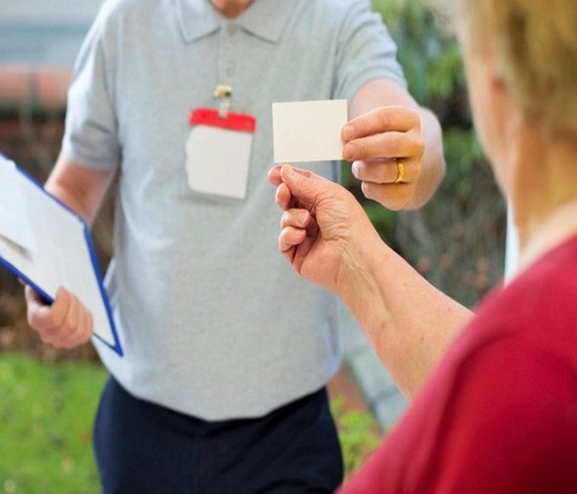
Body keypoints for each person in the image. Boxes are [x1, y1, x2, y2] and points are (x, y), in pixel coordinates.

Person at [25, 0, 446, 491]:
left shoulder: (336, 19)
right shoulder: (125, 21)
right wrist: (44, 275)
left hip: (287, 430)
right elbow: (73, 186)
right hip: (142, 415)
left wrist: (415, 147)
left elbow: (399, 120)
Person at [270, 0, 577, 491]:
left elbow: (507, 385)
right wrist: (355, 263)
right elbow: (487, 386)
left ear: (496, 67)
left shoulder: (533, 345)